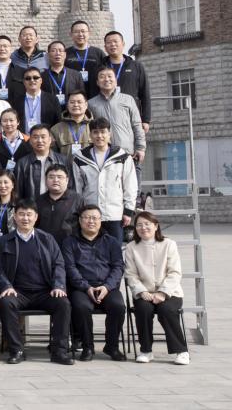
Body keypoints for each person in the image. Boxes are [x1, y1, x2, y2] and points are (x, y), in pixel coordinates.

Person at [0, 202, 74, 365]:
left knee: (63, 303)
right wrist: (6, 286)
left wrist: (58, 285)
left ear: (36, 217)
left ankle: (59, 351)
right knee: (6, 302)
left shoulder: (47, 239)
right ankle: (16, 350)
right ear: (15, 217)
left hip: (44, 291)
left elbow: (59, 264)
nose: (25, 218)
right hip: (18, 292)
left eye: (29, 214)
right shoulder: (5, 241)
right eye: (21, 214)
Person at [62, 204, 127, 362]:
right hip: (81, 288)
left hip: (107, 287)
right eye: (87, 218)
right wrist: (86, 287)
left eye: (95, 218)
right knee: (81, 307)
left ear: (100, 220)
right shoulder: (70, 242)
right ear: (80, 220)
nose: (91, 221)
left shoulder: (111, 241)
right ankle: (87, 347)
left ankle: (112, 346)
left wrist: (107, 286)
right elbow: (70, 268)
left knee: (118, 306)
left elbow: (118, 267)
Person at [124, 211, 190, 365]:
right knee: (143, 309)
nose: (143, 228)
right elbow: (131, 274)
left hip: (170, 293)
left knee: (166, 309)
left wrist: (162, 293)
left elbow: (175, 272)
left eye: (147, 224)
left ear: (156, 226)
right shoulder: (131, 247)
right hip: (144, 293)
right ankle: (146, 350)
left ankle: (181, 351)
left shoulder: (169, 244)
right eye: (139, 225)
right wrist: (141, 291)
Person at [72, 118, 138, 242]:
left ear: (109, 133)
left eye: (103, 132)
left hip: (114, 214)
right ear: (90, 135)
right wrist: (79, 212)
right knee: (90, 249)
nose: (99, 136)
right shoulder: (80, 158)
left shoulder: (122, 156)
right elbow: (77, 188)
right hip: (90, 215)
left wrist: (128, 211)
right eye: (95, 132)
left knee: (114, 249)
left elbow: (130, 186)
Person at [87, 67, 146, 168]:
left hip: (127, 153)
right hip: (103, 156)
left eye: (110, 76)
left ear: (116, 80)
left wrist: (140, 148)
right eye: (102, 77)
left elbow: (137, 125)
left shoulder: (128, 100)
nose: (106, 79)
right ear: (97, 82)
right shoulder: (91, 104)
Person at [102, 31, 150, 131]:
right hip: (106, 116)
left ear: (123, 44)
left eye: (115, 41)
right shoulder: (100, 67)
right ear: (105, 47)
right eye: (109, 42)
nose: (113, 45)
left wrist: (146, 120)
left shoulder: (136, 66)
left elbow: (145, 94)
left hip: (131, 116)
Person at [14, 125, 75, 202]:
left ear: (50, 140)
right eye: (35, 137)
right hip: (32, 206)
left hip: (58, 205)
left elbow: (71, 186)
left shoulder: (63, 161)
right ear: (30, 141)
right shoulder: (22, 163)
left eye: (43, 137)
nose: (39, 140)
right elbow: (18, 192)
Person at [34, 164, 84, 246]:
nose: (55, 180)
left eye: (60, 177)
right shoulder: (38, 201)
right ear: (46, 180)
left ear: (67, 180)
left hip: (69, 247)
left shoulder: (77, 200)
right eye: (51, 177)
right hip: (43, 246)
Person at [11, 67, 61, 134]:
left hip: (45, 139)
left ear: (41, 80)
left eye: (35, 77)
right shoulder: (16, 101)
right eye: (28, 78)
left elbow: (58, 123)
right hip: (24, 139)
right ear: (24, 82)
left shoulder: (52, 100)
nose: (32, 80)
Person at [66, 21, 107, 99]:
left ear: (89, 33)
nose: (80, 34)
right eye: (76, 32)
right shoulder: (65, 53)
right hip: (73, 97)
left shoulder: (98, 53)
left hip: (96, 96)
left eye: (83, 31)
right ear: (70, 34)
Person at [51, 91, 93, 156]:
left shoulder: (95, 127)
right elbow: (53, 155)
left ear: (86, 105)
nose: (76, 105)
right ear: (67, 105)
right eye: (72, 102)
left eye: (79, 102)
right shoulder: (56, 129)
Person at [43, 40, 84, 106]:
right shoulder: (42, 76)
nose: (57, 53)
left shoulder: (76, 75)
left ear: (65, 55)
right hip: (49, 111)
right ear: (48, 55)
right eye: (53, 51)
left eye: (60, 50)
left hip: (70, 111)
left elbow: (81, 96)